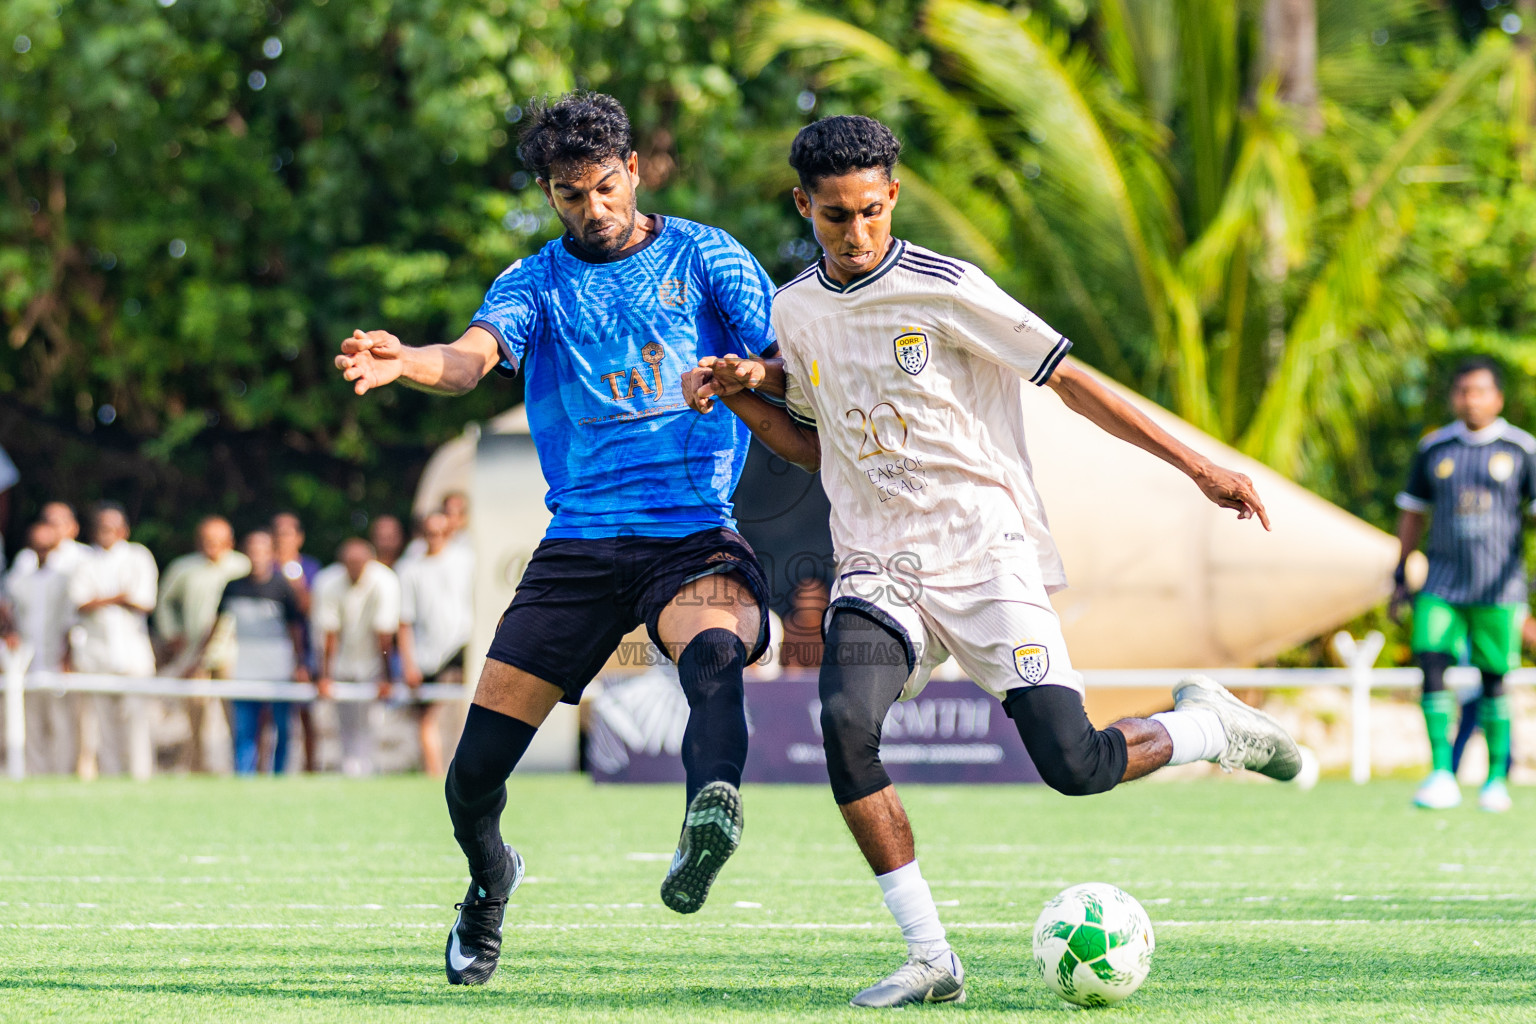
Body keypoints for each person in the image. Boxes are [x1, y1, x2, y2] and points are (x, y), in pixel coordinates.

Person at [685, 115, 1299, 1008]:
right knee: (843, 721)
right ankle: (932, 958)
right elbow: (821, 447)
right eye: (831, 217)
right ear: (803, 207)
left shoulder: (949, 287)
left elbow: (1074, 382)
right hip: (879, 569)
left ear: (891, 195)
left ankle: (1207, 727)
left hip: (985, 553)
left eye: (868, 212)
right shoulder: (794, 311)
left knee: (1074, 765)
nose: (853, 235)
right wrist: (745, 391)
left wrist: (1198, 466)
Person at [334, 91, 777, 985]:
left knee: (717, 655)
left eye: (605, 187)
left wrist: (745, 373)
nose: (594, 209)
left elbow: (782, 358)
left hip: (693, 533)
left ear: (634, 172)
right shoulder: (534, 281)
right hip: (578, 547)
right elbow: (470, 359)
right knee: (471, 783)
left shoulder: (706, 255)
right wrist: (406, 361)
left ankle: (709, 814)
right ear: (550, 192)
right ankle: (491, 877)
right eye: (571, 195)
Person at [1391, 357, 1533, 813]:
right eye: (1462, 391)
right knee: (1431, 666)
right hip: (1442, 584)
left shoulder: (1522, 449)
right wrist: (1400, 570)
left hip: (1500, 588)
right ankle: (1440, 773)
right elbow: (1413, 510)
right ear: (1454, 397)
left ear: (1498, 398)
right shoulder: (1434, 448)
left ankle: (1495, 779)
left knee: (1495, 680)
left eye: (1479, 391)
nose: (1470, 399)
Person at [69, 503, 159, 779]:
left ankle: (140, 775)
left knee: (138, 722)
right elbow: (79, 603)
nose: (104, 533)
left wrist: (103, 599)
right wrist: (119, 597)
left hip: (133, 654)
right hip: (97, 654)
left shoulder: (138, 556)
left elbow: (144, 601)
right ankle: (110, 776)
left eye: (110, 528)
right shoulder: (85, 560)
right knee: (103, 725)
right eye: (100, 528)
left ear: (123, 530)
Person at [157, 516, 251, 771]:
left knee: (235, 716)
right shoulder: (183, 568)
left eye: (218, 540)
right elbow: (165, 603)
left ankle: (239, 769)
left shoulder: (242, 566)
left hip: (232, 652)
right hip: (193, 654)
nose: (212, 545)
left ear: (230, 541)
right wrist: (172, 633)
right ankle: (198, 768)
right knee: (195, 715)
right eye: (207, 540)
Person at [314, 538, 400, 777]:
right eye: (349, 563)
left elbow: (384, 633)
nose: (354, 568)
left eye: (359, 562)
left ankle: (369, 771)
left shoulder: (385, 581)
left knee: (371, 726)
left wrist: (386, 677)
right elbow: (329, 633)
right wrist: (325, 675)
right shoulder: (327, 582)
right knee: (346, 726)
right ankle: (350, 771)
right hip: (341, 665)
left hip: (372, 665)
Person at [398, 512, 474, 776]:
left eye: (442, 533)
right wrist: (408, 663)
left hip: (462, 646)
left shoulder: (466, 560)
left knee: (470, 711)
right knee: (428, 718)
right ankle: (434, 775)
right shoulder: (410, 569)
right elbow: (404, 621)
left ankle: (466, 771)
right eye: (431, 533)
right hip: (428, 654)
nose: (437, 539)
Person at [3, 520, 77, 774]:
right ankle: (35, 772)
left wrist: (67, 657)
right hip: (28, 661)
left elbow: (71, 621)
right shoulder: (21, 580)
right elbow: (10, 615)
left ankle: (62, 773)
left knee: (60, 724)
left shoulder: (65, 579)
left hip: (57, 661)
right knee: (31, 723)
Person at [273, 511, 322, 771]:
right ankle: (265, 768)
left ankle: (310, 766)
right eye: (278, 533)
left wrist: (297, 584)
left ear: (299, 537)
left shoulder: (311, 568)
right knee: (269, 714)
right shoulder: (264, 567)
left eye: (288, 533)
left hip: (305, 647)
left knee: (306, 712)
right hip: (272, 648)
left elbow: (312, 606)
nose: (282, 539)